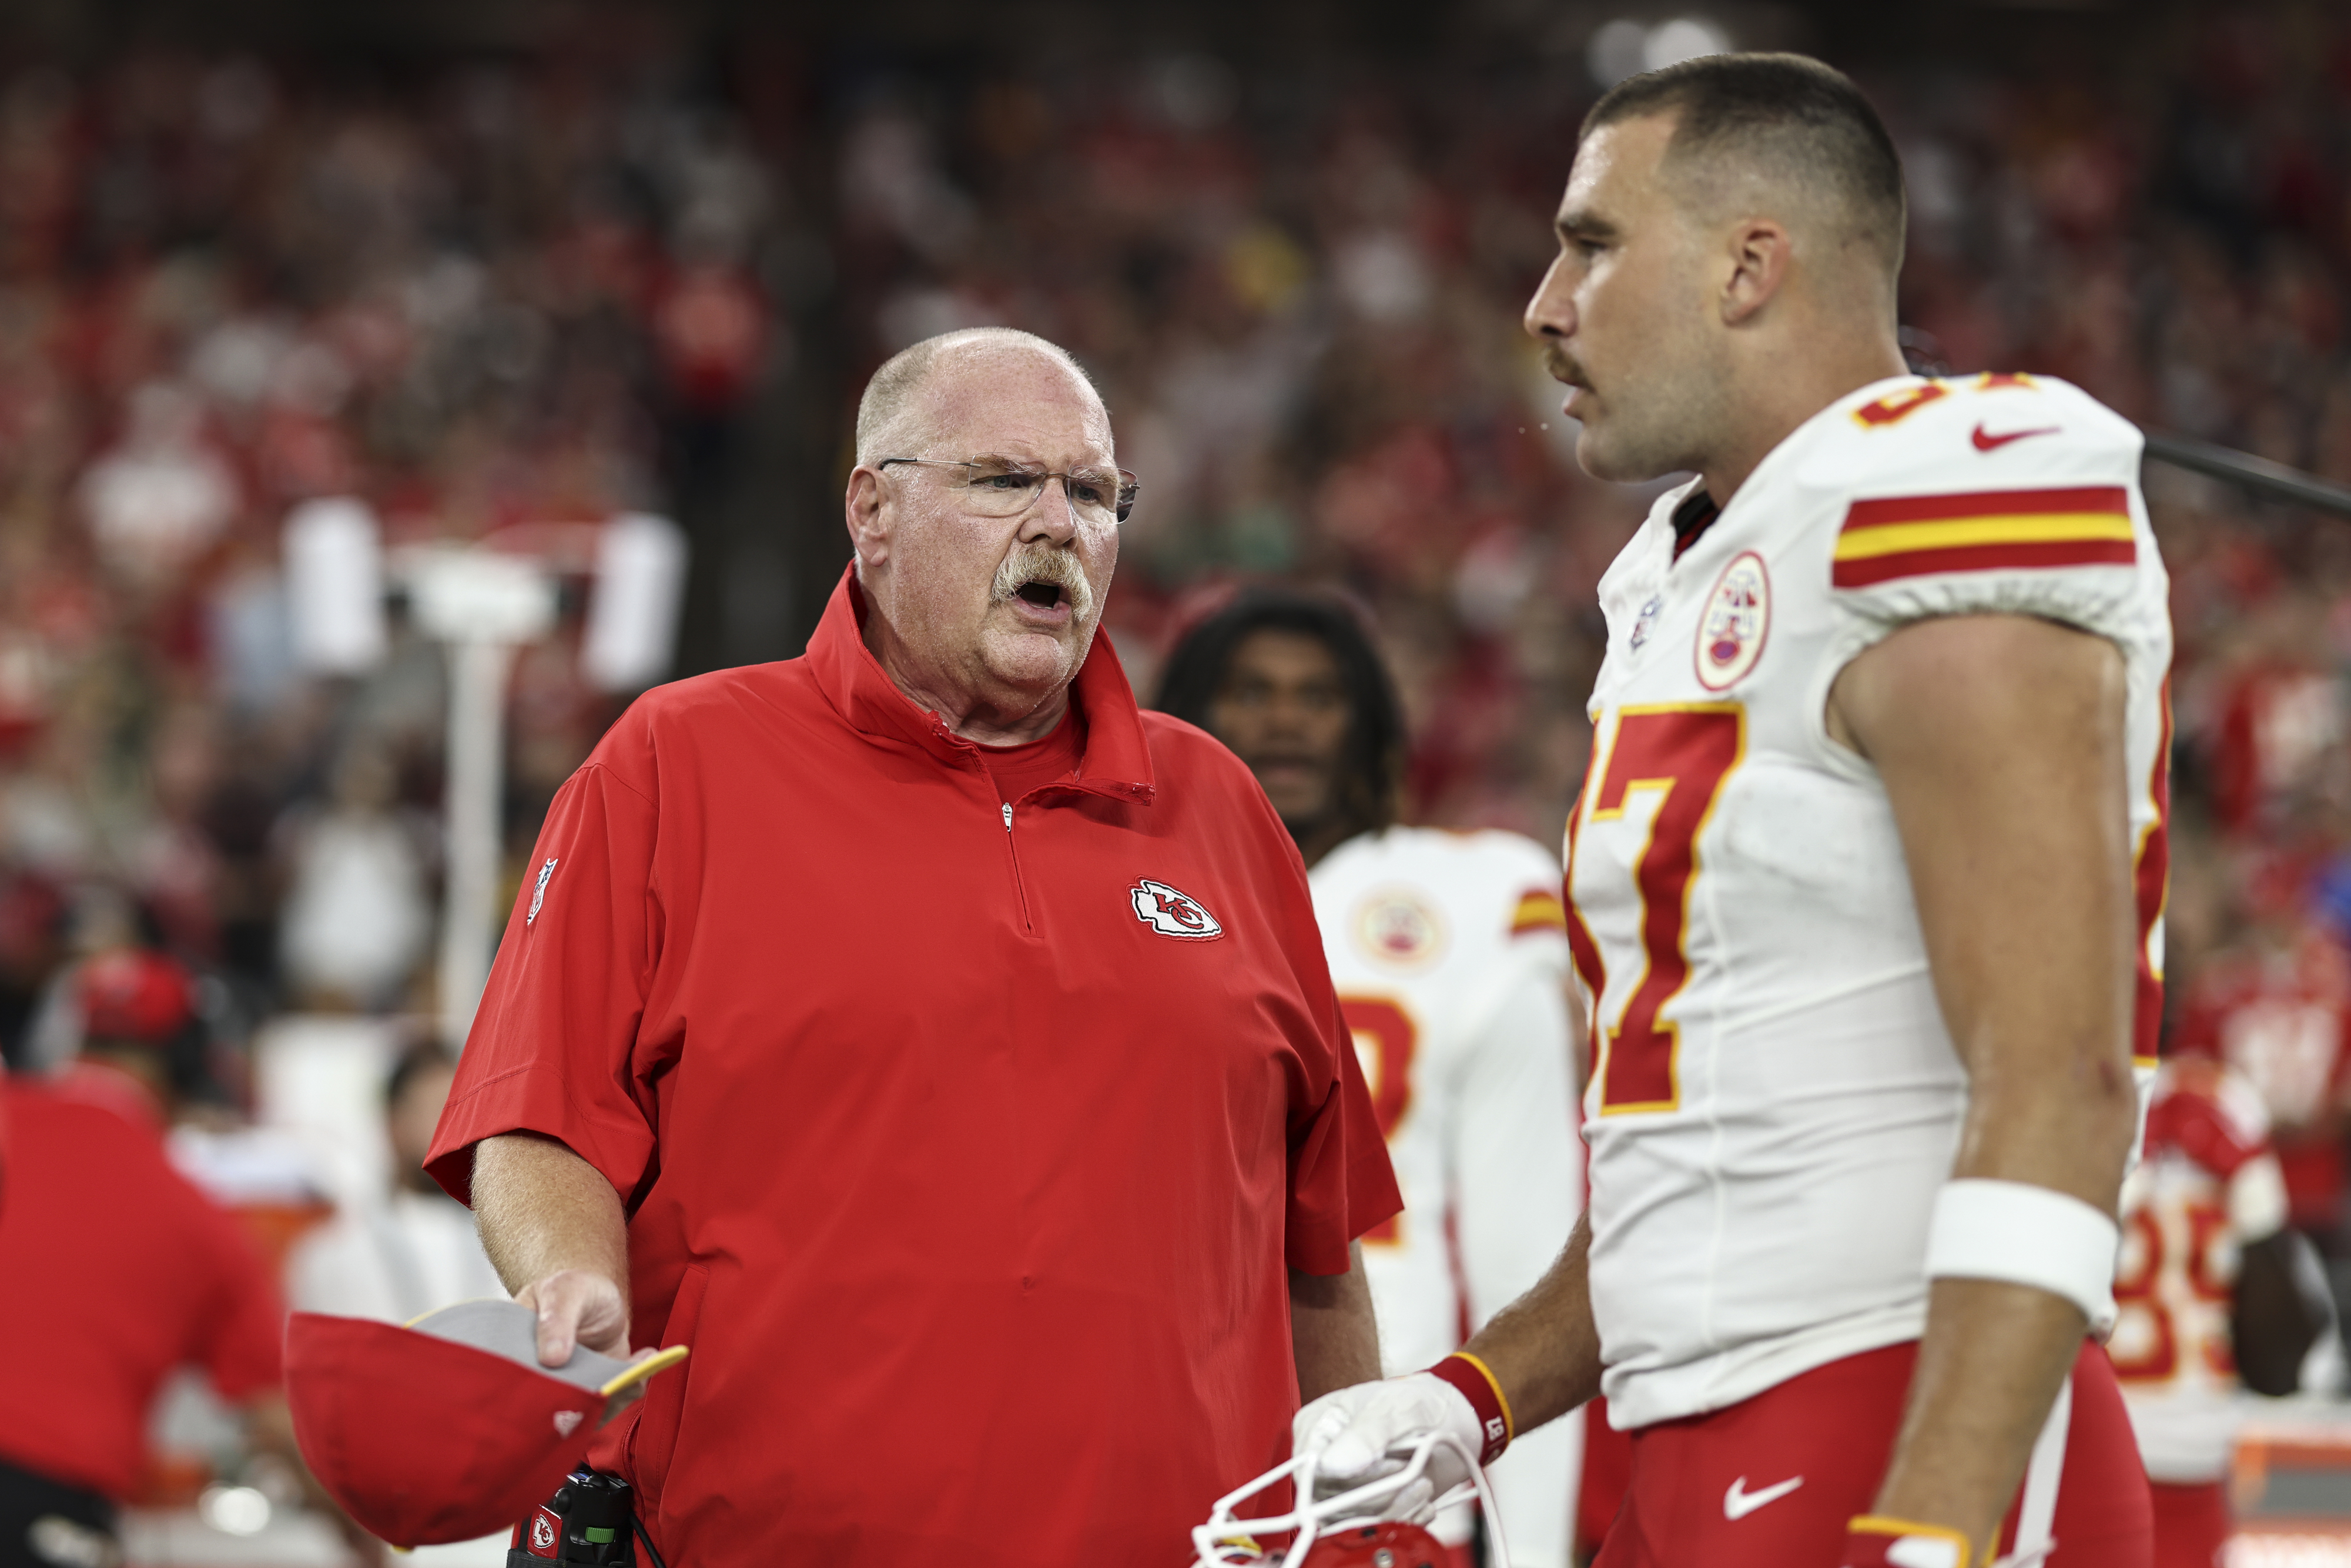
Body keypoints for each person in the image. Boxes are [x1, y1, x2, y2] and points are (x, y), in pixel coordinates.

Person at [1291, 53, 2171, 1568]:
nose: (1543, 303)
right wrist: (1472, 1396)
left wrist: (1944, 1524)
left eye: (1592, 240)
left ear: (1750, 263)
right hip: (1700, 1435)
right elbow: (1698, 1149)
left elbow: (2062, 1071)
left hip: (1896, 1412)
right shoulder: (1683, 572)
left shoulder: (1932, 493)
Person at [422, 326, 1401, 1567]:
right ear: (871, 510)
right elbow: (541, 1117)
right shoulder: (675, 763)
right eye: (1003, 481)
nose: (1060, 524)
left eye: (1094, 492)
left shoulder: (1216, 806)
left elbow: (1317, 1244)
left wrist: (1361, 1516)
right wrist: (571, 1279)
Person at [1158, 589, 1585, 1568]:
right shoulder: (1111, 889)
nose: (1284, 718)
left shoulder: (1472, 899)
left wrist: (1533, 1547)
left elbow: (1522, 1242)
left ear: (1374, 728)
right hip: (1164, 1405)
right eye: (1250, 690)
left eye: (1320, 695)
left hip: (1383, 1428)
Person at [0, 948, 289, 1568]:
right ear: (191, 1065)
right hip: (44, 1498)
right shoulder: (197, 1218)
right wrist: (371, 1534)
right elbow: (276, 1417)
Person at [2114, 1054, 2328, 1568]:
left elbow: (2284, 1366)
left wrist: (2255, 1198)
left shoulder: (2221, 1099)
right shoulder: (2226, 1098)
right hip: (2106, 1449)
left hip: (2187, 1456)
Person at [289, 1040, 507, 1324]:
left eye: (467, 1113)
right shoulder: (334, 1254)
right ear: (393, 1124)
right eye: (437, 1110)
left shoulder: (505, 1243)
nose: (458, 1132)